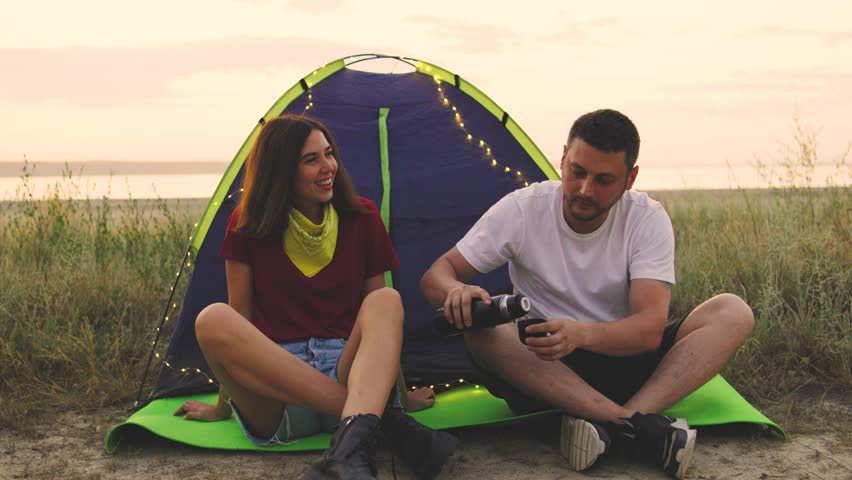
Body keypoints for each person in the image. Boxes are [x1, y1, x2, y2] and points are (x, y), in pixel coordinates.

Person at [420, 109, 754, 479]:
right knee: (480, 331)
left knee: (733, 312)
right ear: (563, 158)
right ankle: (635, 425)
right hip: (544, 368)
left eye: (604, 180)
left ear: (631, 179)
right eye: (577, 172)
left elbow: (647, 332)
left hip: (627, 361)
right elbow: (436, 275)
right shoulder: (524, 209)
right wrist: (457, 289)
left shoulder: (647, 218)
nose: (584, 190)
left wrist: (580, 333)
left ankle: (613, 426)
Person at [173, 114, 458, 480]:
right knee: (213, 318)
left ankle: (357, 438)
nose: (329, 168)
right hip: (279, 391)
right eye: (311, 160)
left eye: (329, 154)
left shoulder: (362, 217)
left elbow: (383, 329)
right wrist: (222, 407)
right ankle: (384, 423)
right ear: (281, 171)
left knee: (386, 299)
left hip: (350, 373)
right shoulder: (247, 225)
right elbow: (240, 328)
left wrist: (399, 391)